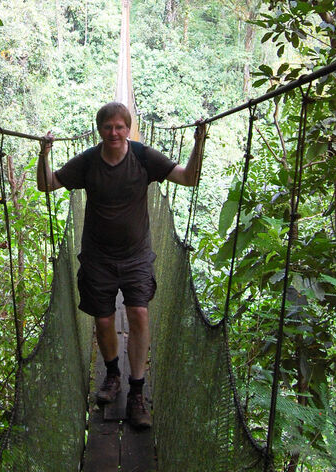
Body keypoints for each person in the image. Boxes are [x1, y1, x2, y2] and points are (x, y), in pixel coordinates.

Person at [37, 102, 206, 429]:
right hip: (97, 257)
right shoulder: (87, 161)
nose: (113, 132)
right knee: (103, 321)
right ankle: (113, 374)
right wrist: (44, 153)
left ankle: (137, 391)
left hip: (136, 254)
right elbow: (48, 184)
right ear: (99, 129)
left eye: (120, 126)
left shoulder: (143, 157)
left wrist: (199, 143)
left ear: (128, 129)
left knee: (139, 313)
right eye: (107, 127)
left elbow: (189, 179)